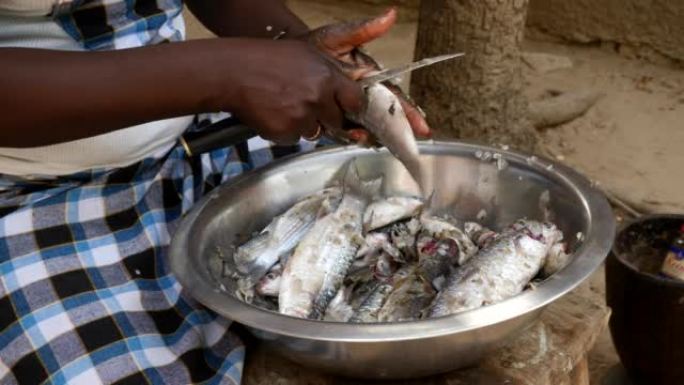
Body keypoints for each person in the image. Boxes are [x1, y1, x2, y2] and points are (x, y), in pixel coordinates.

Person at [0, 1, 430, 384]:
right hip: (31, 197)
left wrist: (298, 53)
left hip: (193, 142)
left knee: (408, 214)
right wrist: (228, 74)